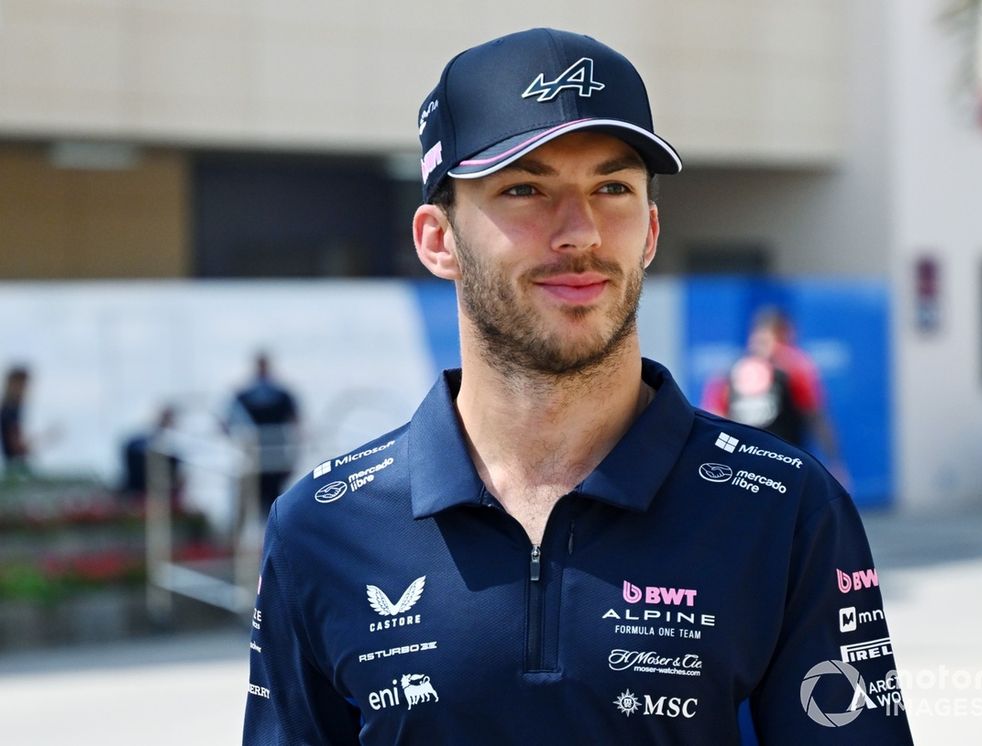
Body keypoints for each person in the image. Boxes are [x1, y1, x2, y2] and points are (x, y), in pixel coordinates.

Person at [244, 28, 913, 745]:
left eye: (612, 188)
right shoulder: (322, 527)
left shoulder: (786, 508)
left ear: (649, 231)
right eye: (525, 189)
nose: (580, 232)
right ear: (438, 240)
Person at [704, 307, 847, 482]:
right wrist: (834, 461)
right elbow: (815, 416)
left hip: (742, 470)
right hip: (785, 466)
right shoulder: (794, 366)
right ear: (785, 332)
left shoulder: (728, 371)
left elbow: (715, 422)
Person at [227, 352, 300, 517]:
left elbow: (296, 423)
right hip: (253, 457)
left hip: (273, 457)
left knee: (272, 501)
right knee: (258, 503)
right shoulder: (247, 395)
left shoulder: (279, 395)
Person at [1, 366, 32, 477]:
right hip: (14, 468)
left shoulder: (10, 408)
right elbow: (16, 447)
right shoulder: (10, 409)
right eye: (22, 385)